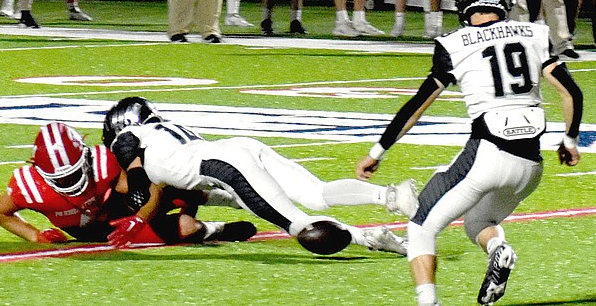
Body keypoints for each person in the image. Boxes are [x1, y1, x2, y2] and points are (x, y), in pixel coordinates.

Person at [356, 0, 584, 306]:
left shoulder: (453, 43)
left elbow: (417, 106)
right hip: (530, 166)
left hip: (488, 153)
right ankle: (498, 249)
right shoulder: (535, 34)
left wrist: (377, 152)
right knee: (479, 220)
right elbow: (571, 91)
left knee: (421, 227)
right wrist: (570, 140)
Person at [102, 96, 419, 255]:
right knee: (316, 194)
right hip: (238, 151)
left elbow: (138, 176)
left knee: (300, 226)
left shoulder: (127, 138)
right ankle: (390, 198)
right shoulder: (162, 133)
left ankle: (363, 237)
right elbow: (190, 188)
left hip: (227, 167)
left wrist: (137, 217)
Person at [0, 121, 258, 246]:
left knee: (171, 182)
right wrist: (34, 234)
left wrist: (139, 219)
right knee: (187, 228)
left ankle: (225, 197)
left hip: (120, 211)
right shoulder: (31, 187)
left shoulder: (103, 163)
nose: (70, 182)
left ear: (84, 158)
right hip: (96, 232)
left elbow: (154, 188)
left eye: (72, 173)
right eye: (61, 178)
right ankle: (216, 229)